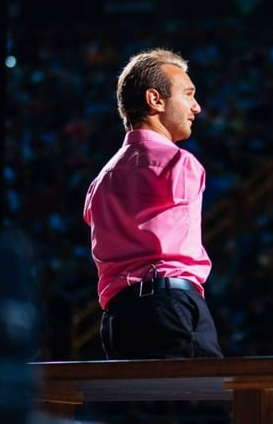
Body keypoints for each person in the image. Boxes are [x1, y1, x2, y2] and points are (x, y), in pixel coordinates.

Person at [83, 48, 223, 359]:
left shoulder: (100, 181)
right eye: (188, 94)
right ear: (155, 100)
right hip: (171, 305)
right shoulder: (179, 164)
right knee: (204, 404)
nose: (197, 107)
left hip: (117, 319)